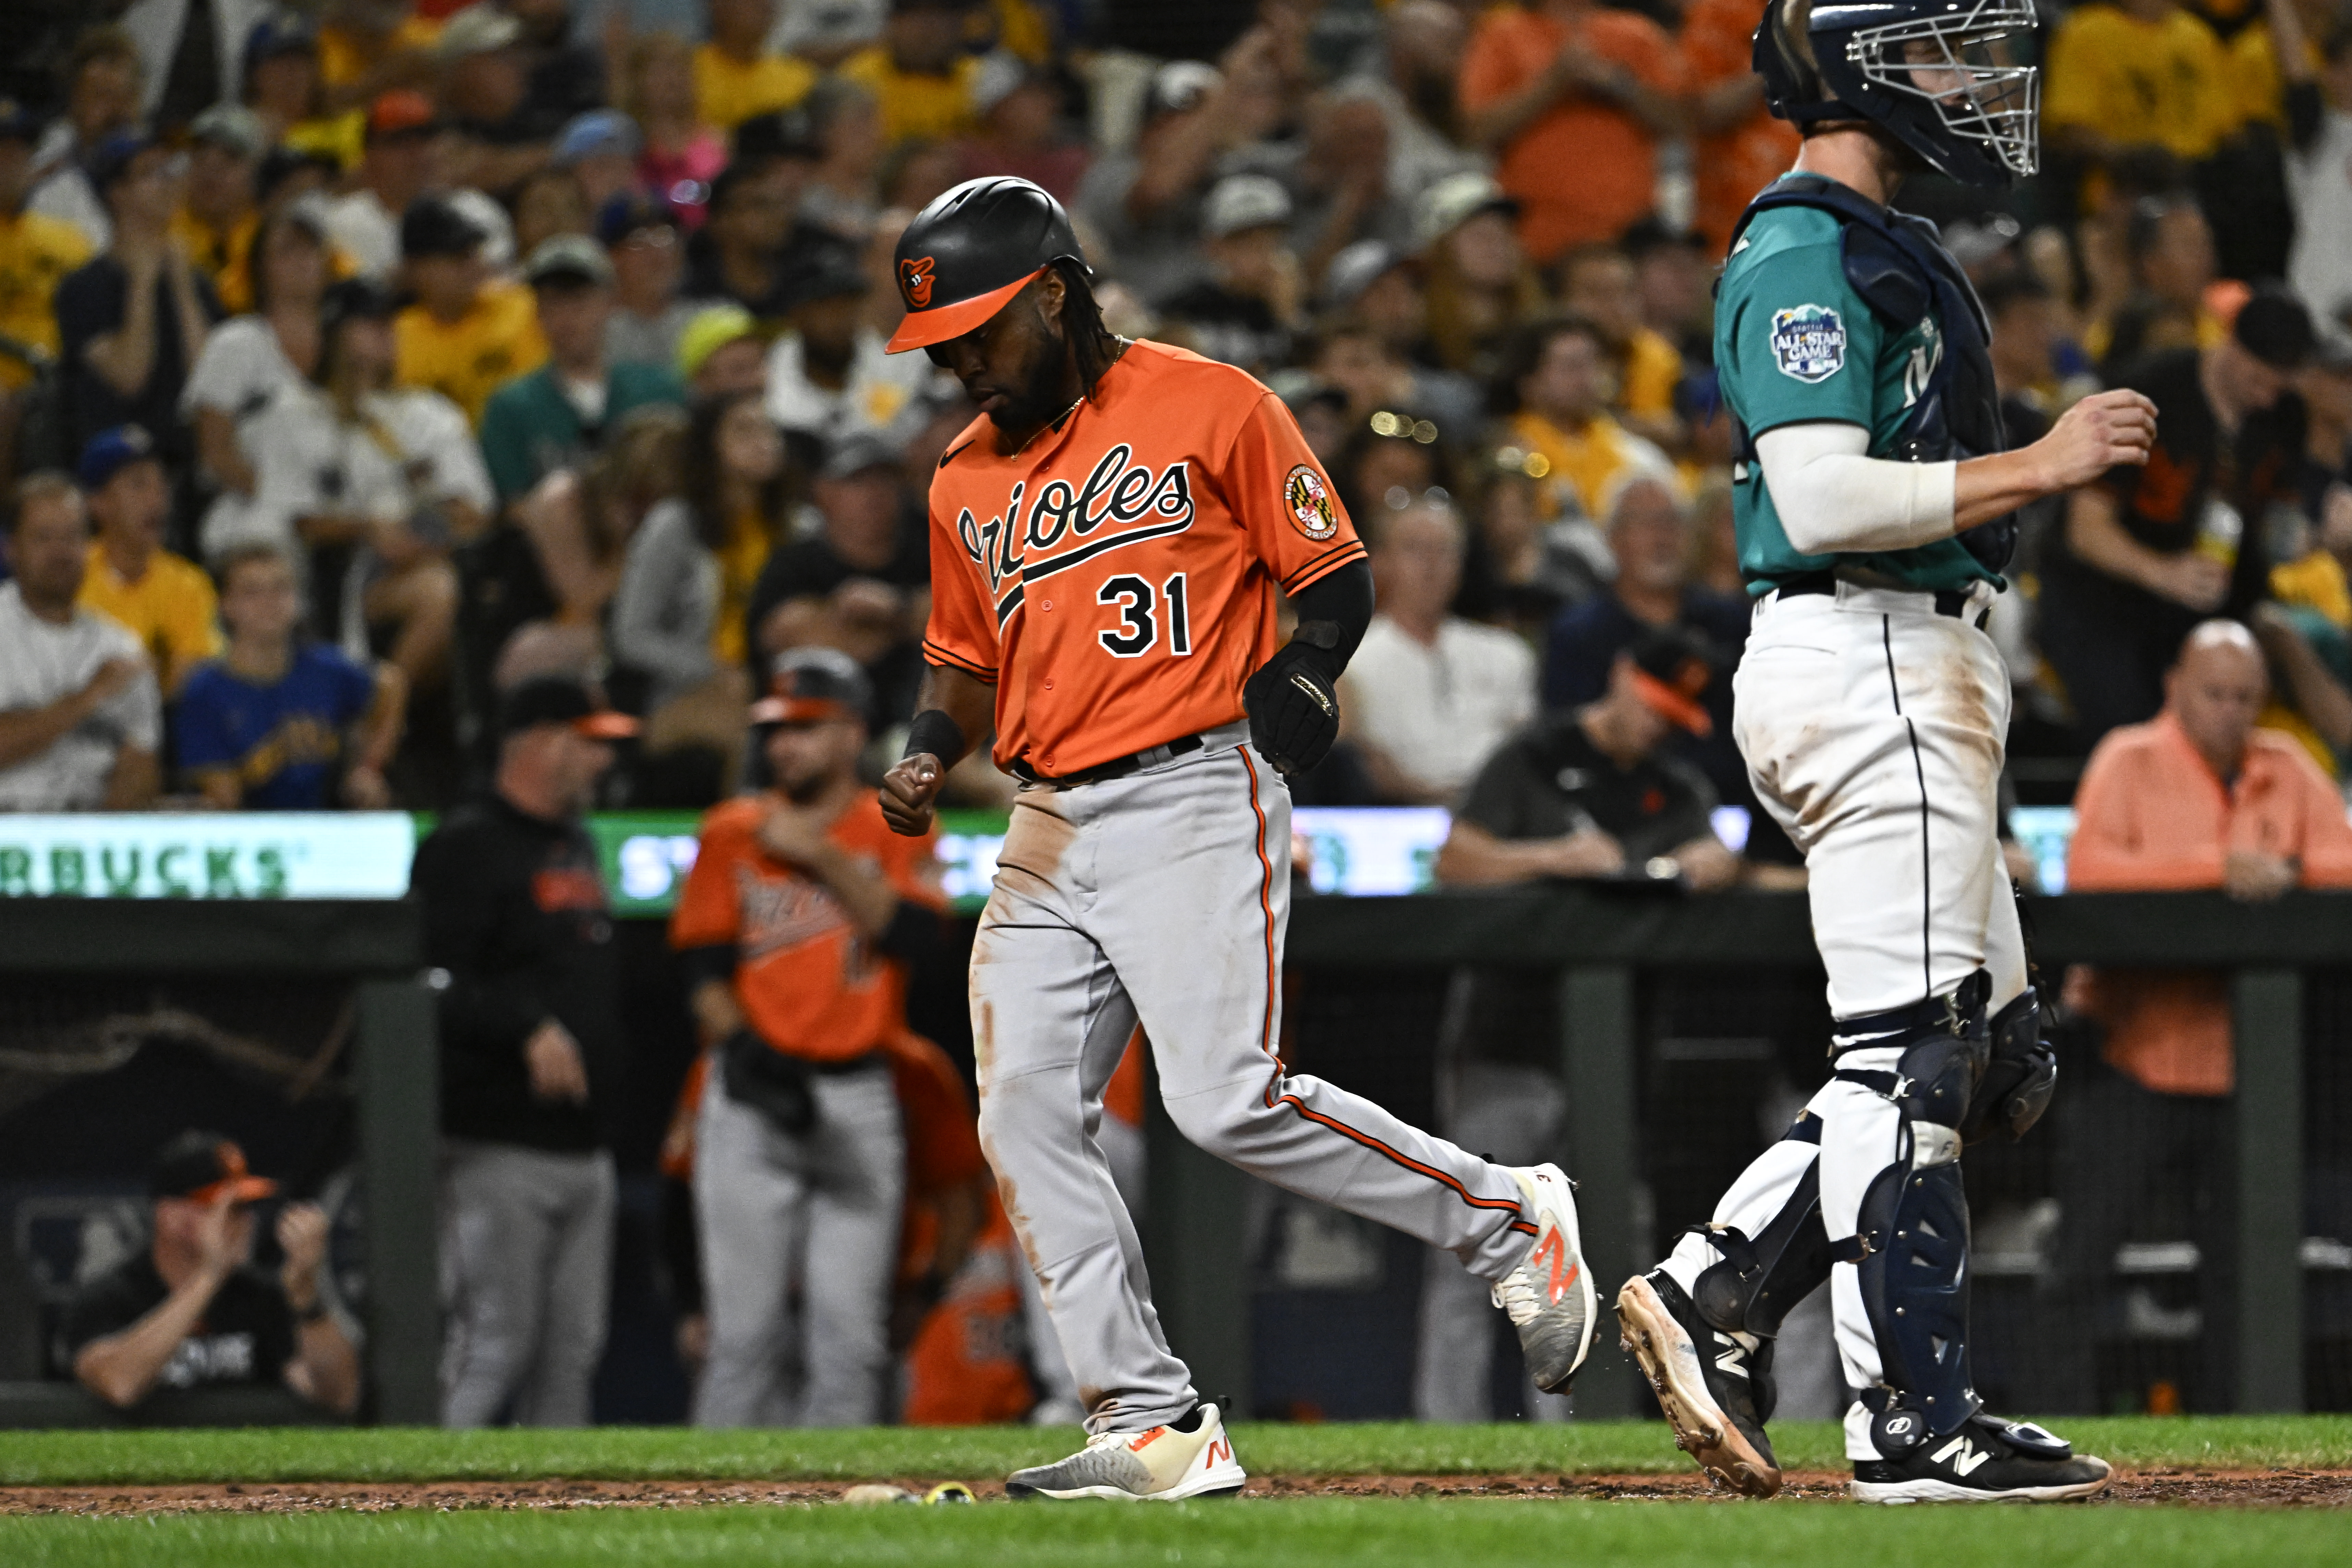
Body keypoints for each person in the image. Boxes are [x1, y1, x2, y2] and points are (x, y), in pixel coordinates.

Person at [876, 176, 1596, 1500]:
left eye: (978, 332)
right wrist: (927, 740)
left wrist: (1311, 670)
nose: (962, 363)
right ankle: (1151, 1418)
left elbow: (1330, 571)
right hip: (1043, 815)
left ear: (1050, 291)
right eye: (943, 346)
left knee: (1222, 1098)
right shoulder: (963, 473)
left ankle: (1505, 1214)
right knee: (1024, 1107)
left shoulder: (1210, 400)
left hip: (1192, 790)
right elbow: (957, 657)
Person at [1612, 0, 2151, 1504]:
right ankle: (1907, 1418)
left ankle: (1714, 1281)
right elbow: (1825, 496)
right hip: (1862, 646)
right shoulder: (1802, 245)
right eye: (1927, 53)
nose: (1962, 82)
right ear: (1853, 68)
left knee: (1980, 1054)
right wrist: (2041, 460)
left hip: (1913, 657)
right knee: (1909, 1048)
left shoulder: (1873, 240)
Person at [2053, 620, 2352, 1410]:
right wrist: (2218, 871)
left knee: (2249, 1274)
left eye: (2245, 697)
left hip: (2249, 1072)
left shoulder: (2286, 765)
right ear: (2175, 685)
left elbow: (2342, 864)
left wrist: (2279, 872)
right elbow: (2089, 871)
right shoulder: (2128, 757)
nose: (2229, 710)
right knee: (2080, 1260)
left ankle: (2243, 1439)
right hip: (2132, 1055)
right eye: (2214, 692)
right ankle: (2047, 1428)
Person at [669, 649, 945, 1425]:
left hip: (859, 1092)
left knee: (849, 1340)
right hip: (754, 1095)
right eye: (775, 730)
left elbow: (921, 944)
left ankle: (839, 1527)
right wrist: (753, 1055)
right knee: (744, 1338)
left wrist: (821, 854)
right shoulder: (731, 831)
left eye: (805, 727)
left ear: (853, 732)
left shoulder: (897, 823)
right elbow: (702, 972)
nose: (784, 745)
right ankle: (709, 1523)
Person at [411, 674, 638, 1427]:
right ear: (542, 740)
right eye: (590, 744)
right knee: (492, 1343)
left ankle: (556, 1534)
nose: (602, 762)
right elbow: (428, 980)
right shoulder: (466, 842)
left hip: (584, 1144)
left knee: (571, 1352)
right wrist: (525, 1024)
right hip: (492, 1143)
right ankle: (422, 1519)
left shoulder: (572, 841)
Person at [2040, 288, 2314, 750]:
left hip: (2211, 595)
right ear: (2230, 345)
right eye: (2257, 379)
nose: (2267, 397)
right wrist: (2163, 573)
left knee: (2239, 693)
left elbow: (2279, 525)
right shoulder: (2148, 394)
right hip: (2104, 597)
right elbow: (2085, 529)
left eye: (2278, 385)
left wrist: (2314, 535)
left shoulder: (2285, 416)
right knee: (2130, 716)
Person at [62, 1132, 358, 1415]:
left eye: (245, 1208)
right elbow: (120, 1385)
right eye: (226, 1208)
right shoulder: (110, 1297)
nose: (244, 1221)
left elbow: (340, 1395)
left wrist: (307, 1299)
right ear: (171, 1216)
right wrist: (208, 1277)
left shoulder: (259, 1297)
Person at [177, 543, 405, 810]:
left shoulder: (326, 668)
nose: (270, 602)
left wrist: (368, 767)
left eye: (281, 588)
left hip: (330, 824)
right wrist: (276, 754)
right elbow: (223, 800)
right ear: (226, 605)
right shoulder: (205, 692)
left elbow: (391, 683)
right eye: (252, 592)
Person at [1456, 0, 1685, 264]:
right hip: (1536, 238)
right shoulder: (1502, 35)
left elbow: (1680, 121)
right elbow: (1475, 131)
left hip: (1633, 237)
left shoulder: (1637, 34)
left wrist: (1617, 84)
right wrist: (1553, 84)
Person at [1341, 496, 1535, 805]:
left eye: (1444, 550)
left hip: (1498, 814)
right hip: (1398, 815)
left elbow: (1525, 749)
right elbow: (1359, 765)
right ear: (1380, 561)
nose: (1431, 565)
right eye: (1415, 549)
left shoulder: (1507, 654)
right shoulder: (1350, 661)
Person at [53, 134, 220, 477]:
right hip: (116, 465)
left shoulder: (194, 281)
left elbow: (211, 382)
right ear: (117, 194)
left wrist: (183, 288)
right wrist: (141, 287)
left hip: (188, 462)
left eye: (168, 170)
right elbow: (129, 377)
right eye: (150, 173)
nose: (167, 182)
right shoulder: (83, 287)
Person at [480, 235, 684, 507]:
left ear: (611, 304)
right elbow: (515, 505)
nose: (567, 317)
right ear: (537, 314)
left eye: (579, 300)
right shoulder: (511, 406)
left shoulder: (659, 389)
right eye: (553, 302)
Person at [745, 430, 929, 722]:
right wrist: (911, 622)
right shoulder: (794, 564)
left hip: (915, 717)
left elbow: (975, 624)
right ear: (823, 491)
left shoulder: (930, 553)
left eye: (886, 479)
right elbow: (791, 638)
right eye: (857, 481)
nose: (875, 493)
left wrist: (895, 609)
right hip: (818, 723)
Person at [0, 472, 159, 810]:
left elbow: (141, 765)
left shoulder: (121, 648)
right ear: (12, 548)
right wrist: (88, 698)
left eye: (73, 537)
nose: (61, 552)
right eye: (44, 537)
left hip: (87, 833)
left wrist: (90, 840)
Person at [185, 203, 332, 526]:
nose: (303, 261)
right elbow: (216, 453)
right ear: (260, 267)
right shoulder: (237, 342)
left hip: (335, 505)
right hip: (251, 508)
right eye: (287, 251)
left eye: (312, 249)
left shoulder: (345, 343)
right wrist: (287, 502)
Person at [75, 426, 221, 695]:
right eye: (138, 484)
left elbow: (193, 682)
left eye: (162, 483)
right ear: (99, 503)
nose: (158, 498)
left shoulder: (189, 584)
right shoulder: (69, 575)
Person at [1496, 314, 1675, 527]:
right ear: (1529, 383)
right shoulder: (1510, 454)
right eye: (1571, 366)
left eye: (1592, 364)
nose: (1586, 379)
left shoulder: (1636, 454)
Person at [393, 195, 548, 427]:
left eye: (474, 253)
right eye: (458, 258)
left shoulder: (520, 308)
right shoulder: (395, 338)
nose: (474, 265)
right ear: (416, 269)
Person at [763, 253, 945, 451]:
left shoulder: (897, 363)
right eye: (826, 307)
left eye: (848, 304)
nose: (840, 317)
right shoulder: (768, 375)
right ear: (797, 315)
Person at [324, 91, 442, 285]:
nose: (415, 154)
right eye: (399, 143)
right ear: (370, 156)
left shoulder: (472, 210)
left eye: (424, 140)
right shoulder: (343, 223)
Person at [841, 0, 985, 148]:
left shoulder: (981, 78)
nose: (928, 29)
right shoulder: (860, 78)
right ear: (893, 23)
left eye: (940, 17)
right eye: (916, 17)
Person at [169, 105, 267, 318]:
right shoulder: (165, 233)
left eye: (229, 159)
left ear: (258, 172)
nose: (211, 171)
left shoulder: (272, 236)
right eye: (200, 158)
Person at [600, 195, 695, 371]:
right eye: (639, 240)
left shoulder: (702, 321)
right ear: (612, 257)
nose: (657, 252)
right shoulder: (596, 331)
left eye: (665, 235)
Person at [695, 0, 819, 134]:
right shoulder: (689, 72)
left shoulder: (801, 78)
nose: (764, 6)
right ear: (718, 6)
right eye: (752, 2)